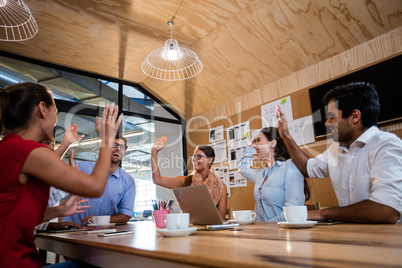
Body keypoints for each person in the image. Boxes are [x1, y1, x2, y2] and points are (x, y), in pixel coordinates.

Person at [0, 82, 122, 267]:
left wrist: (60, 210)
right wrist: (106, 140)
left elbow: (14, 216)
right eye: (55, 111)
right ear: (43, 109)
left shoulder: (10, 148)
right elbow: (95, 187)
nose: (56, 119)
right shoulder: (28, 151)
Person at [276, 82, 402, 223]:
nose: (327, 123)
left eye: (332, 117)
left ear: (355, 116)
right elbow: (307, 167)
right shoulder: (335, 149)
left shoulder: (386, 145)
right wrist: (286, 135)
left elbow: (386, 210)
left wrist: (325, 213)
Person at [239, 127, 308, 222]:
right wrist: (250, 145)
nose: (255, 146)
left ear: (273, 143)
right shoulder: (261, 174)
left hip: (284, 233)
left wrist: (264, 227)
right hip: (262, 233)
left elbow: (293, 213)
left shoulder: (290, 167)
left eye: (258, 140)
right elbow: (243, 169)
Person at [64, 136, 136, 225]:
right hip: (71, 231)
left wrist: (100, 220)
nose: (118, 149)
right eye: (114, 145)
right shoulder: (80, 167)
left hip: (103, 233)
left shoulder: (128, 181)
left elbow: (126, 214)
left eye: (122, 147)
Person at [151, 136, 227, 219]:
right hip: (190, 229)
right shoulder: (185, 181)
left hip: (211, 230)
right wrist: (154, 151)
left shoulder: (221, 187)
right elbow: (157, 180)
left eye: (198, 156)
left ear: (209, 160)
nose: (194, 159)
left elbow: (221, 219)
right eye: (193, 157)